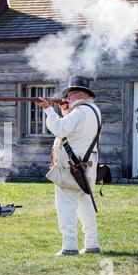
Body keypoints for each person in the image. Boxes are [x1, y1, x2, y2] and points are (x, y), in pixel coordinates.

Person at [36, 75, 102, 256]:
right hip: (87, 166)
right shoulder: (92, 110)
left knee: (66, 206)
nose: (67, 97)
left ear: (79, 94)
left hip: (72, 167)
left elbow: (59, 129)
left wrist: (49, 110)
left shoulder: (79, 112)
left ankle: (69, 246)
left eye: (70, 94)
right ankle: (92, 244)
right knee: (86, 204)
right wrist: (65, 111)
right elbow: (73, 131)